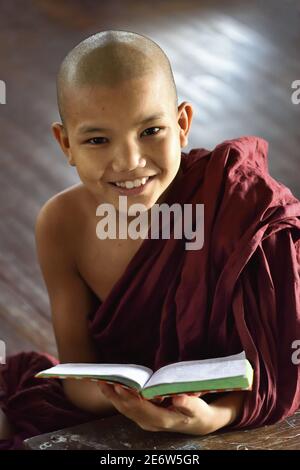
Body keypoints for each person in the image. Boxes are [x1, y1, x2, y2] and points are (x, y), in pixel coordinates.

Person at [0, 30, 299, 450]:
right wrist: (129, 402)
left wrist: (214, 416)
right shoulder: (61, 225)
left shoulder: (237, 204)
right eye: (97, 140)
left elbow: (282, 363)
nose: (128, 161)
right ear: (65, 143)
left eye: (151, 130)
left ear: (182, 125)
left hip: (224, 416)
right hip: (110, 412)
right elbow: (77, 376)